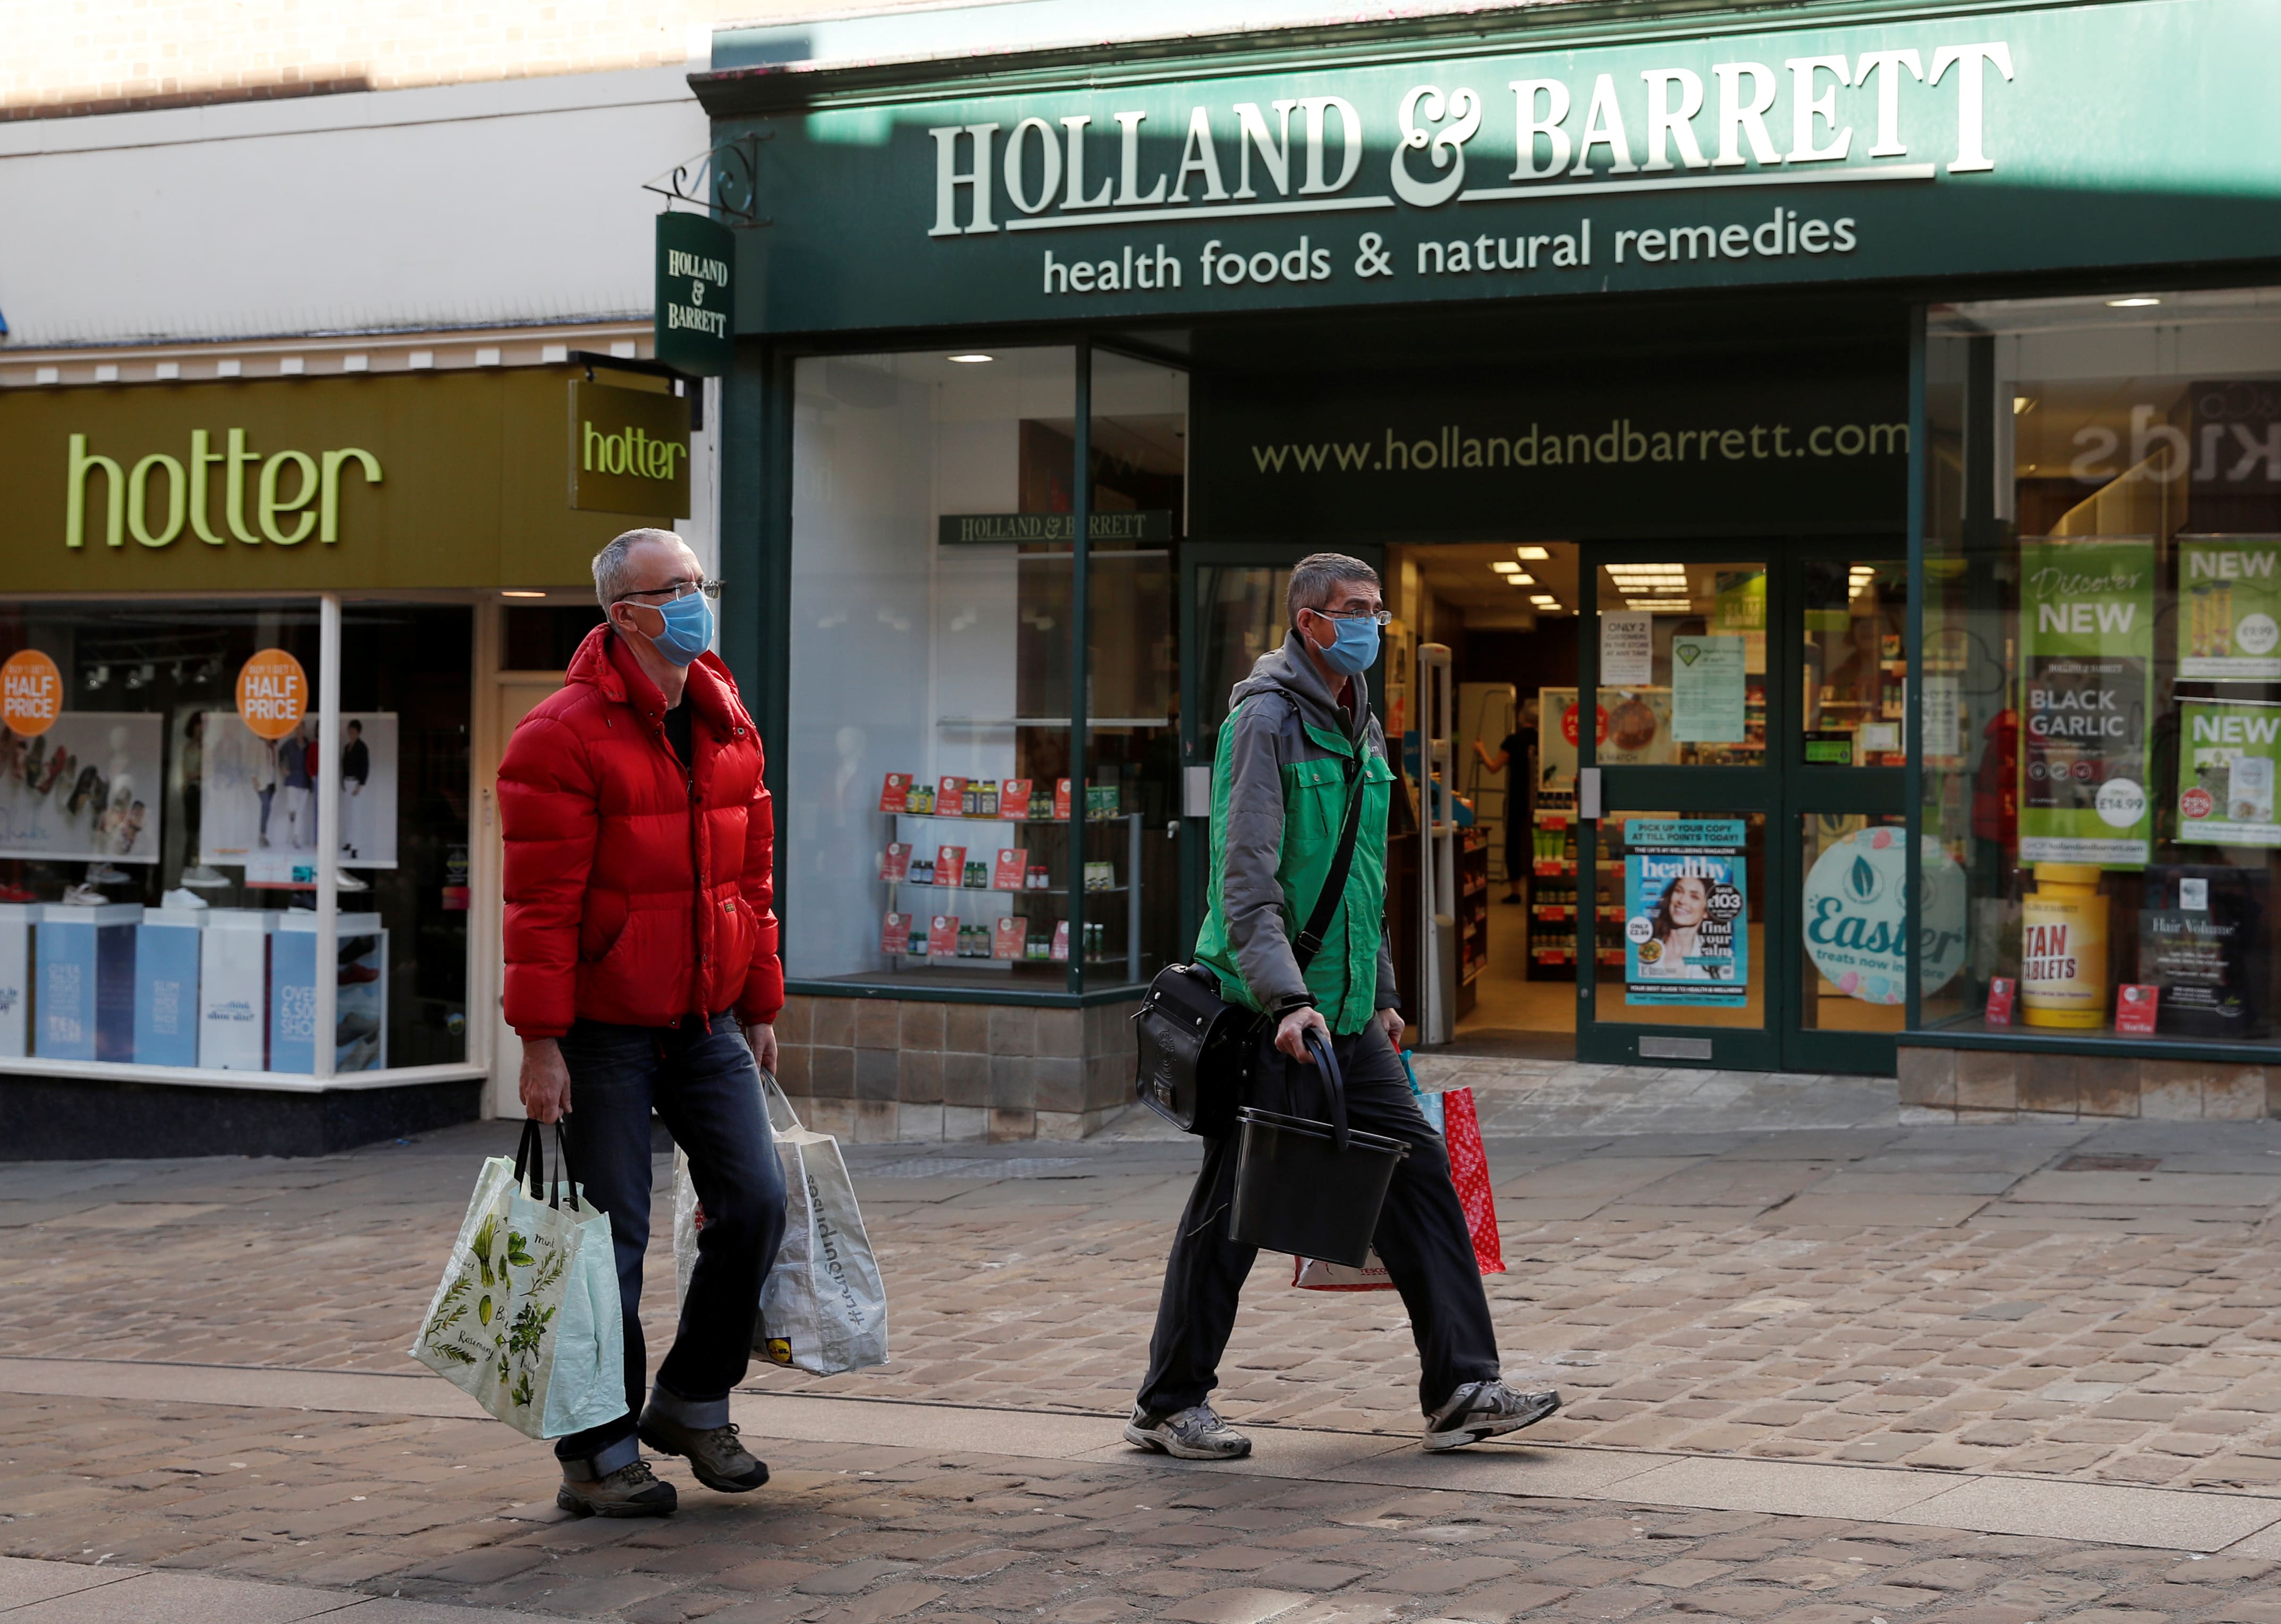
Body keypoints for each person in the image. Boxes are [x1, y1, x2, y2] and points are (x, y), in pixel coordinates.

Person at [1128, 552, 1559, 1462]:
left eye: (1376, 611)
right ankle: (1170, 1402)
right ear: (1307, 620)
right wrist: (1286, 998)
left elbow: (1360, 880)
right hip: (1272, 1016)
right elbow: (1243, 881)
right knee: (1234, 1211)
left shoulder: (1359, 718)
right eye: (1352, 609)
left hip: (1348, 1019)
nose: (1368, 624)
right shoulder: (1266, 720)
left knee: (1419, 1174)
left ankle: (1461, 1385)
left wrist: (1386, 995)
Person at [499, 527, 788, 1519]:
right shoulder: (559, 735)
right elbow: (537, 908)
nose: (699, 601)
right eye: (678, 588)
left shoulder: (724, 715)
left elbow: (752, 874)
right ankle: (597, 1452)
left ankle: (691, 1401)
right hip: (604, 1029)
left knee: (756, 1202)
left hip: (706, 1015)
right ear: (625, 614)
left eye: (702, 581)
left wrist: (760, 997)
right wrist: (540, 1043)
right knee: (604, 1243)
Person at [1472, 695, 1539, 904]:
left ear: (1521, 717)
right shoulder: (1544, 739)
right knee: (1537, 843)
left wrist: (1480, 749)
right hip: (1540, 798)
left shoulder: (1513, 741)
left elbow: (1493, 767)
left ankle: (1516, 891)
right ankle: (1538, 890)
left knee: (1514, 843)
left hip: (1517, 797)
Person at [339, 720, 370, 861]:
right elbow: (343, 765)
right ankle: (349, 842)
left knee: (355, 815)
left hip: (356, 784)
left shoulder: (362, 748)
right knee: (348, 815)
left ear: (358, 732)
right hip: (347, 781)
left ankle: (355, 848)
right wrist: (342, 780)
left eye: (353, 732)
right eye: (349, 731)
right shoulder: (347, 747)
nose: (351, 734)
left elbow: (365, 767)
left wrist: (360, 784)